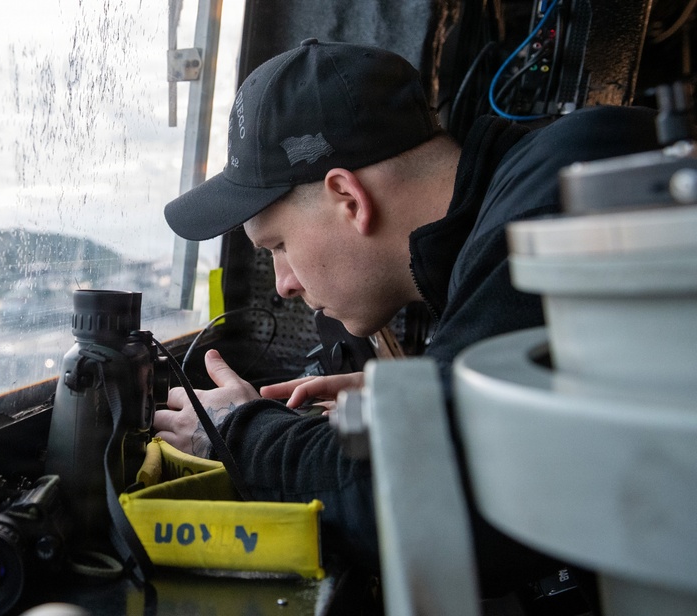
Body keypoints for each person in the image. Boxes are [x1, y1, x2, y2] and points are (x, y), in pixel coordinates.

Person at [152, 39, 660, 592]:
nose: (284, 284)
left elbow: (440, 507)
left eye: (277, 245)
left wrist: (236, 432)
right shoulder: (520, 197)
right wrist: (416, 399)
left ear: (348, 196)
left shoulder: (557, 208)